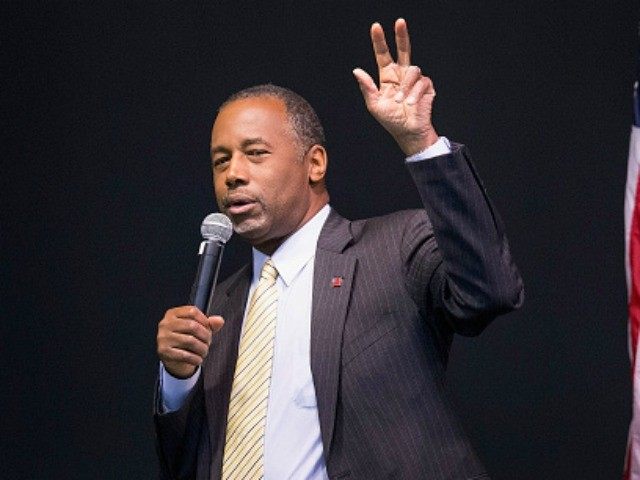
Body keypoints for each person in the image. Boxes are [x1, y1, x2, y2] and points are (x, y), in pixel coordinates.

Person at [154, 18, 523, 480]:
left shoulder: (394, 250)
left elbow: (491, 292)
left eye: (256, 153)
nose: (234, 174)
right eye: (220, 160)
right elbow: (187, 466)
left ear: (314, 163)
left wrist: (421, 143)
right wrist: (177, 380)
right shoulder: (215, 310)